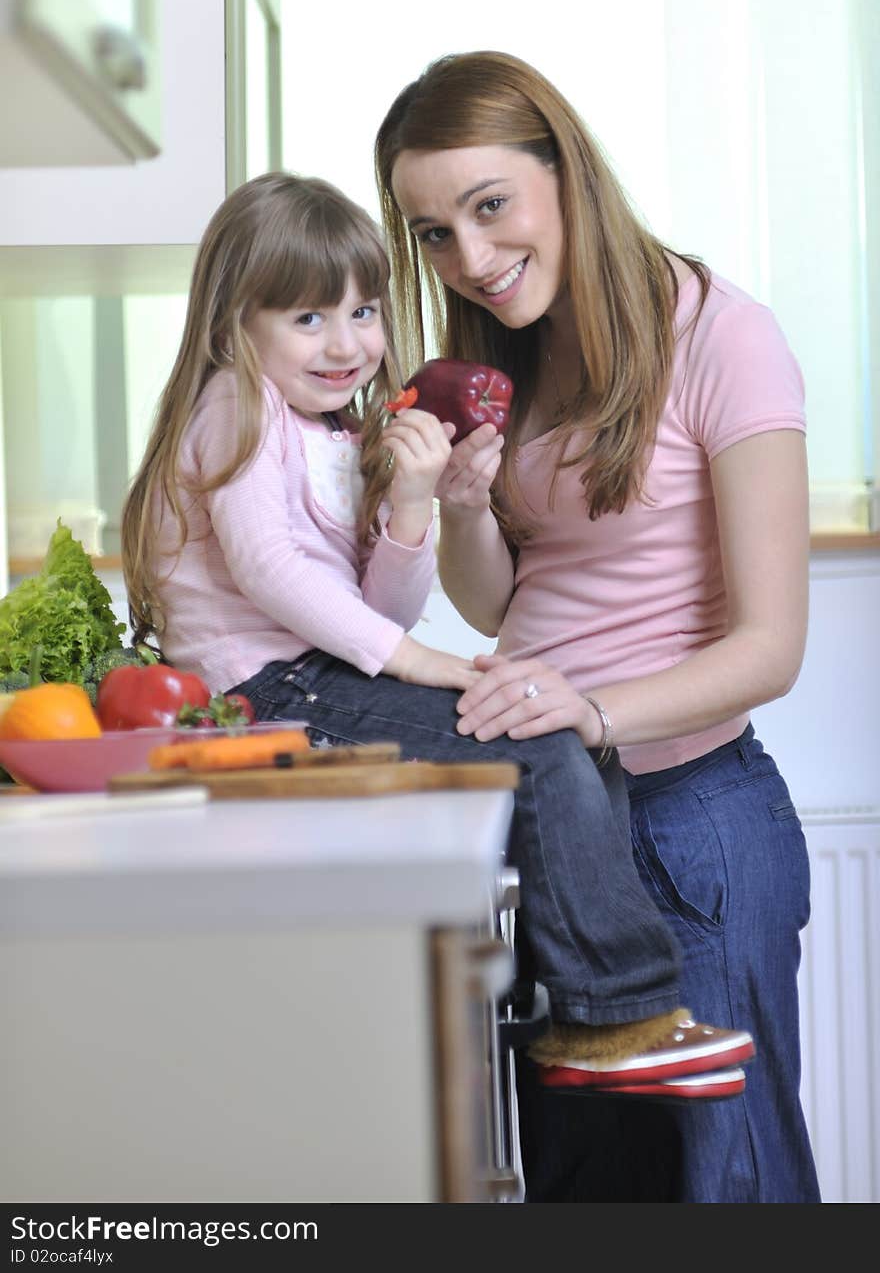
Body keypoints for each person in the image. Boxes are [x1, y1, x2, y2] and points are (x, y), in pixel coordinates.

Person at [121, 170, 753, 1112]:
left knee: (565, 740)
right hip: (259, 690)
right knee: (533, 738)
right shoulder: (237, 406)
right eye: (307, 319)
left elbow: (386, 603)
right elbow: (274, 577)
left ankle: (576, 1012)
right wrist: (424, 665)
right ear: (234, 327)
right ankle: (615, 1013)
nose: (349, 345)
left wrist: (414, 503)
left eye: (365, 312)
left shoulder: (334, 431)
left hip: (319, 674)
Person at [374, 51, 820, 1203]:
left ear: (563, 172)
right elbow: (498, 604)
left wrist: (595, 709)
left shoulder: (723, 334)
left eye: (488, 207)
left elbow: (770, 646)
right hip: (553, 822)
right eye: (432, 233)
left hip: (686, 827)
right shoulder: (509, 358)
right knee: (588, 1189)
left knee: (725, 1181)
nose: (468, 260)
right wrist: (465, 504)